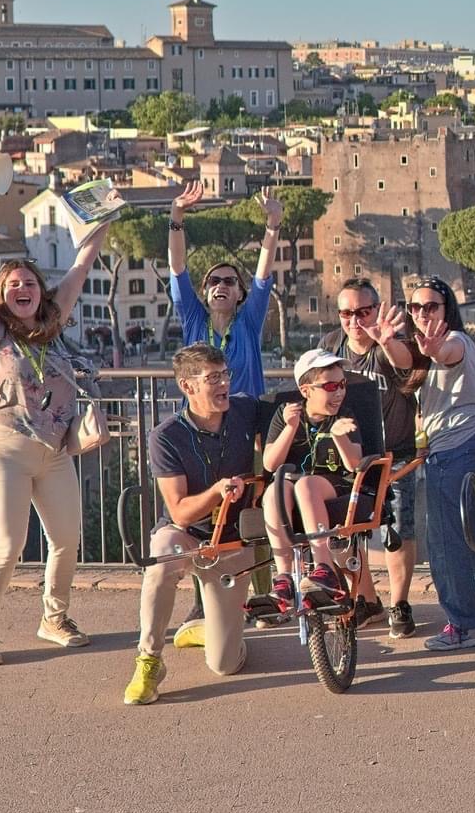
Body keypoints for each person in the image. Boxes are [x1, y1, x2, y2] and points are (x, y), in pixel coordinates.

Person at [0, 178, 111, 667]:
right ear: (2, 294)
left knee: (66, 540)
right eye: (13, 284)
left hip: (54, 450)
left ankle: (53, 618)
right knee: (9, 544)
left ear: (41, 292)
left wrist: (101, 219)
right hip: (4, 446)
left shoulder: (51, 325)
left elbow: (81, 264)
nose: (22, 289)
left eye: (30, 283)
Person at [123, 345, 274, 704]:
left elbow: (290, 406)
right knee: (161, 556)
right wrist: (218, 492)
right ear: (187, 387)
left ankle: (204, 629)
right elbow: (180, 513)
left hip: (232, 541)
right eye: (212, 378)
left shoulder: (245, 408)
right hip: (187, 536)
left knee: (225, 664)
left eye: (225, 375)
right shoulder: (165, 435)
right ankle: (149, 660)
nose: (223, 384)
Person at [326, 278, 425, 637]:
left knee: (397, 531)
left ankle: (399, 602)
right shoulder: (330, 349)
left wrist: (387, 339)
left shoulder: (387, 347)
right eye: (346, 313)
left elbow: (408, 363)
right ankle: (367, 599)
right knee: (345, 532)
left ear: (376, 309)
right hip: (349, 458)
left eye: (363, 311)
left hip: (394, 455)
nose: (355, 320)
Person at [405, 276, 475, 652]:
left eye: (431, 307)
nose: (423, 313)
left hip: (456, 447)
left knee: (442, 540)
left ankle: (463, 625)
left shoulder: (455, 341)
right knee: (468, 529)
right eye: (415, 307)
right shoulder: (424, 347)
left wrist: (433, 350)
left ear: (447, 310)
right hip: (458, 444)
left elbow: (448, 353)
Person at [262, 349, 377, 608]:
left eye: (342, 384)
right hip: (292, 485)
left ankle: (323, 567)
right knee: (273, 492)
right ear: (306, 390)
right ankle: (284, 577)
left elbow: (355, 464)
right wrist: (290, 428)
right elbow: (270, 464)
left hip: (334, 484)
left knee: (306, 484)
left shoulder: (343, 415)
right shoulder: (286, 413)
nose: (339, 392)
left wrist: (339, 437)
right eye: (330, 386)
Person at [167, 181, 282, 397]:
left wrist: (273, 223)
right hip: (200, 419)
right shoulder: (194, 319)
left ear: (240, 294)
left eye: (230, 281)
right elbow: (177, 266)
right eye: (214, 281)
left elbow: (262, 274)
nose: (221, 285)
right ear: (204, 291)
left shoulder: (249, 322)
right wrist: (176, 215)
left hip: (244, 420)